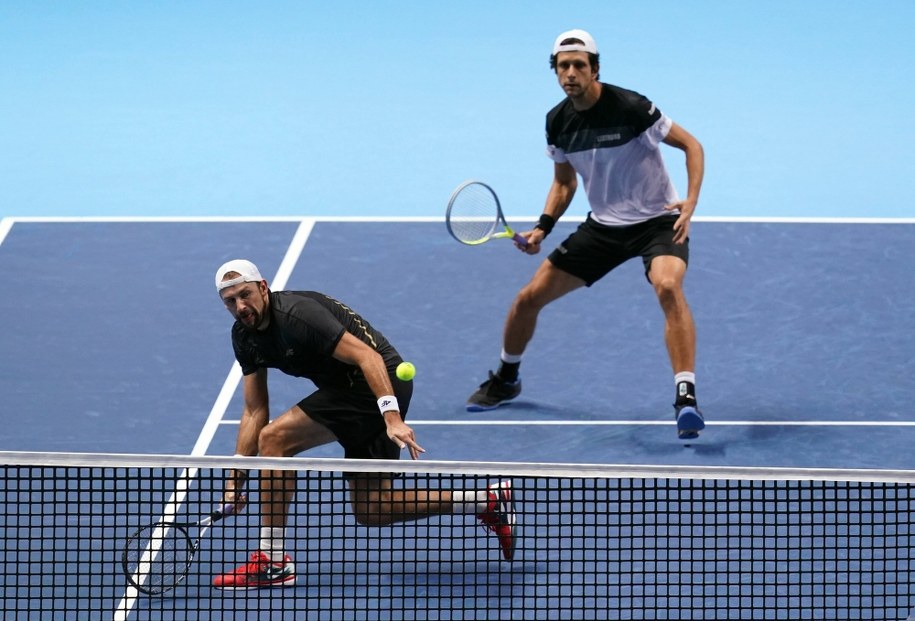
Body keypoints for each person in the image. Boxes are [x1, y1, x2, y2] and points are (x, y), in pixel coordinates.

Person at [213, 259, 515, 589]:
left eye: (245, 294)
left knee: (274, 440)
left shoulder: (298, 317)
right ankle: (486, 501)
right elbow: (254, 410)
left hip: (375, 383)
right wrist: (235, 479)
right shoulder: (244, 337)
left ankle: (272, 561)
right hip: (349, 390)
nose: (241, 306)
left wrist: (392, 417)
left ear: (263, 287)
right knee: (373, 507)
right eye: (230, 301)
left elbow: (368, 357)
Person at [466, 29, 706, 440]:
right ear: (556, 72)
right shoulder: (557, 122)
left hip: (656, 221)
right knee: (527, 299)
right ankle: (507, 378)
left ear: (595, 69)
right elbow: (564, 184)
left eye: (580, 65)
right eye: (564, 66)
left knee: (668, 286)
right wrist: (543, 227)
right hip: (604, 228)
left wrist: (692, 201)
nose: (571, 73)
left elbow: (692, 145)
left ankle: (686, 398)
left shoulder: (631, 107)